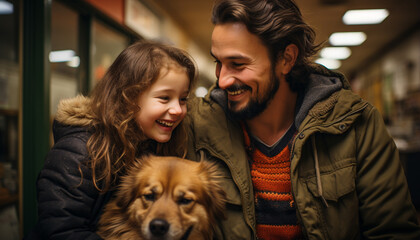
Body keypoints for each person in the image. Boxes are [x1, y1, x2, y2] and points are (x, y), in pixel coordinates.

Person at [184, 0, 420, 239]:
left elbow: (394, 232)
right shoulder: (196, 125)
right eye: (218, 63)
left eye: (238, 64)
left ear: (286, 58)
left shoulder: (358, 125)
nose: (222, 80)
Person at [25, 40, 197, 239]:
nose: (178, 110)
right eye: (165, 98)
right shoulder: (78, 151)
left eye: (183, 99)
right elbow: (61, 230)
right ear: (128, 97)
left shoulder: (153, 145)